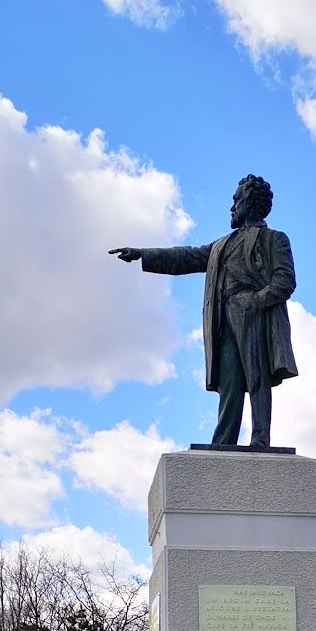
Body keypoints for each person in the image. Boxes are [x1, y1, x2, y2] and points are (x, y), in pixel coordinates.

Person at [109, 175, 297, 448]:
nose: (232, 206)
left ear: (250, 202)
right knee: (230, 382)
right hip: (223, 317)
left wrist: (255, 301)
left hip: (253, 311)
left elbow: (285, 280)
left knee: (257, 376)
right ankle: (223, 441)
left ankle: (260, 439)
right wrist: (142, 253)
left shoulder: (274, 239)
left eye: (236, 199)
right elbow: (185, 256)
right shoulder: (220, 246)